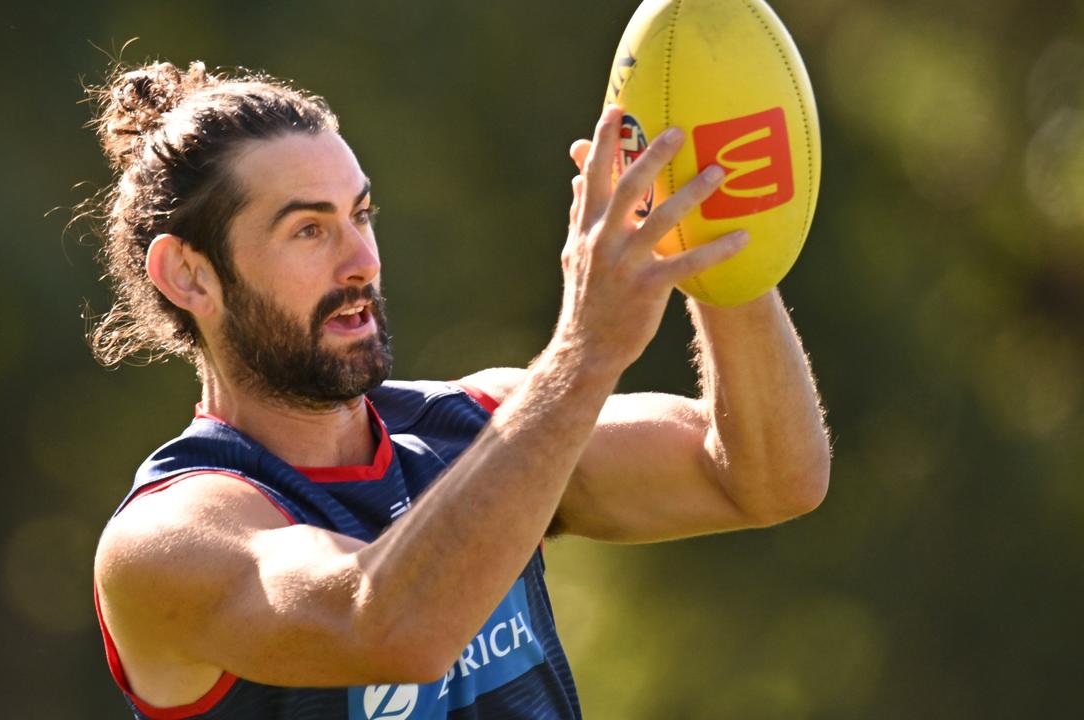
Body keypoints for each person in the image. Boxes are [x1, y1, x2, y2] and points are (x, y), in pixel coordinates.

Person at [88, 60, 829, 720]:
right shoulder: (165, 542)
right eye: (308, 231)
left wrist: (709, 232)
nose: (360, 261)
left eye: (361, 215)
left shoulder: (476, 426)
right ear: (188, 274)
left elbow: (768, 478)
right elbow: (389, 629)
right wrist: (584, 350)